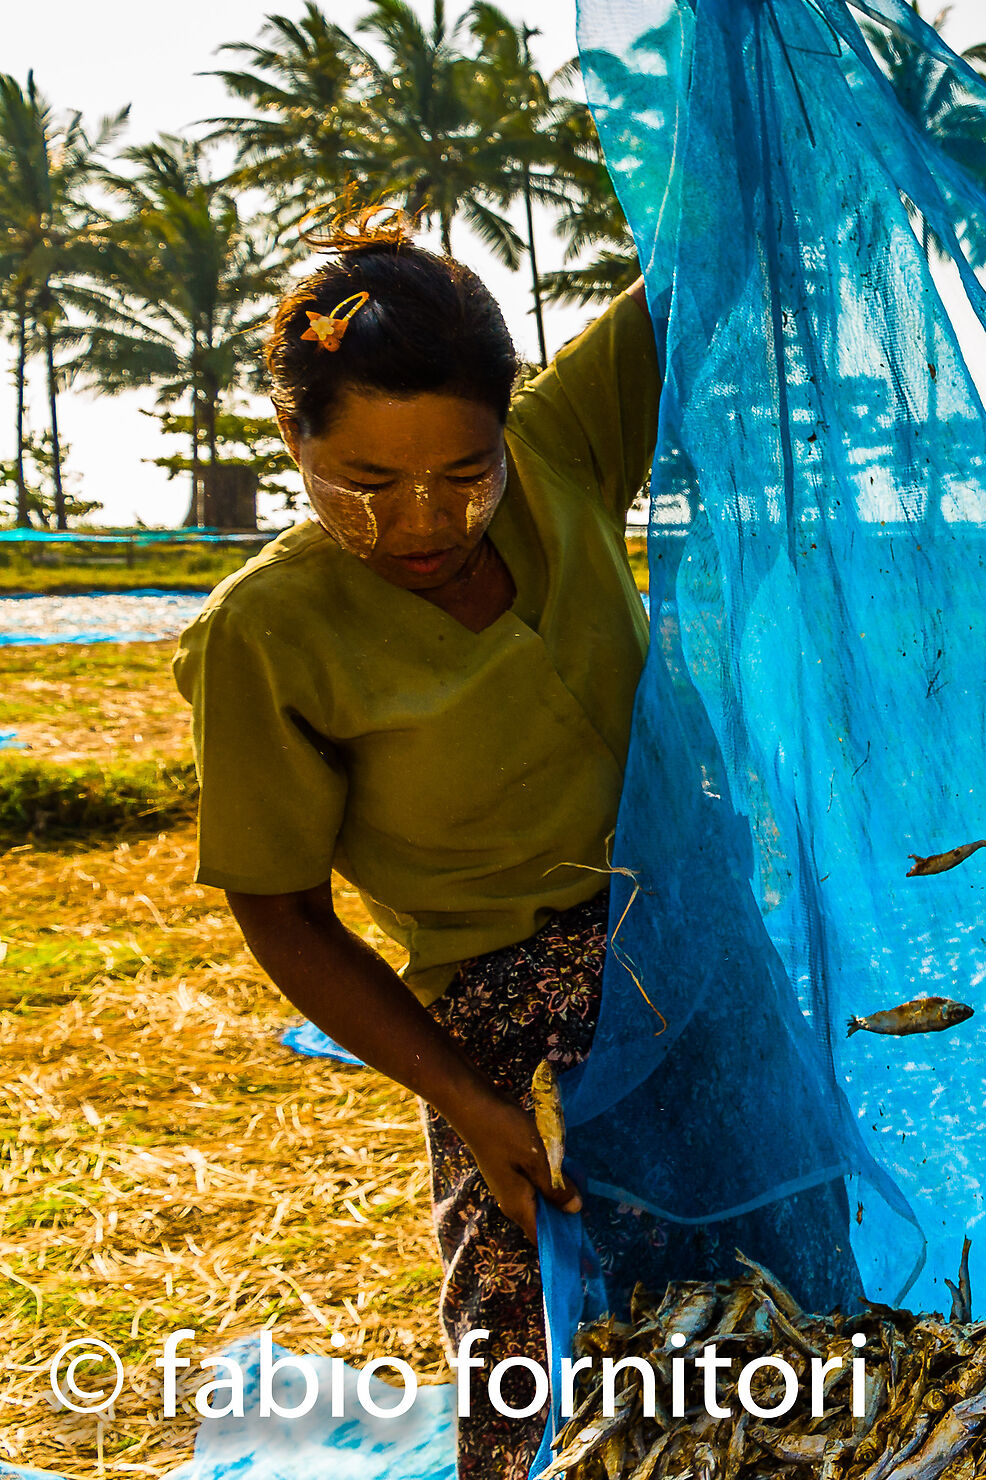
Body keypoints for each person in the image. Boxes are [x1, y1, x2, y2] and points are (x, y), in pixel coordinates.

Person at [174, 208, 661, 1480]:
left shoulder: (563, 449)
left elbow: (697, 272)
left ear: (509, 425)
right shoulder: (264, 634)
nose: (422, 524)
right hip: (501, 1028)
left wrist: (750, 86)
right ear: (292, 439)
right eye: (365, 487)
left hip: (690, 956)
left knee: (760, 1307)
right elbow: (283, 913)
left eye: (464, 473)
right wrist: (467, 1099)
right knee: (538, 1370)